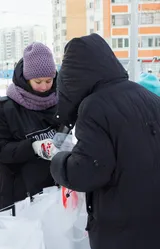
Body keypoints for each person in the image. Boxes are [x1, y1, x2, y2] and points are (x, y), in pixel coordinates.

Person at [49, 33, 160, 249]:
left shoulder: (94, 107)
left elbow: (87, 172)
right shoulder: (151, 98)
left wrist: (58, 161)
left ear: (72, 78)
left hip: (121, 229)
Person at [0, 42, 59, 209]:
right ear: (26, 80)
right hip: (20, 196)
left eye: (49, 81)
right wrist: (32, 146)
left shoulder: (59, 102)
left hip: (54, 190)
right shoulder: (7, 108)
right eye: (38, 81)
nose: (44, 87)